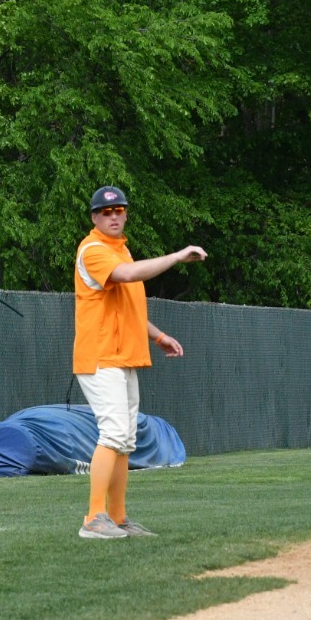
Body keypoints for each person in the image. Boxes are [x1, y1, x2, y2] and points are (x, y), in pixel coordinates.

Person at [73, 185, 201, 539]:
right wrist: (177, 256)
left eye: (119, 210)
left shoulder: (122, 250)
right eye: (106, 212)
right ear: (95, 217)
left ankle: (117, 518)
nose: (113, 216)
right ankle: (93, 518)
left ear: (126, 214)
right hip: (100, 357)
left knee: (126, 441)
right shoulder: (93, 250)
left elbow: (128, 309)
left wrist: (159, 336)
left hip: (123, 357)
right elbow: (129, 276)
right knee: (114, 433)